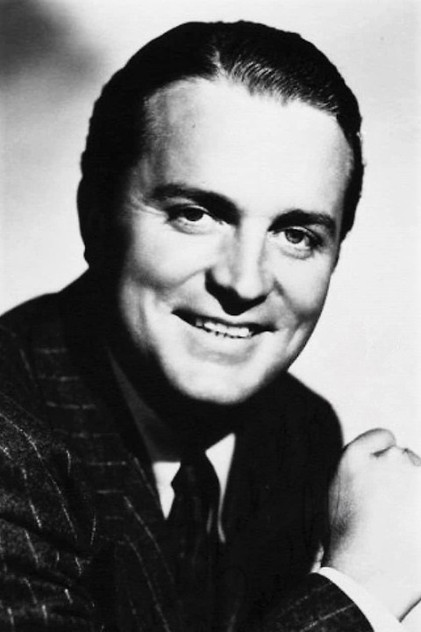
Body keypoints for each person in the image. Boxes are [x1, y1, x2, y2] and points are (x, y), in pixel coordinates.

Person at [0, 21, 419, 632]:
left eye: (296, 234)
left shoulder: (297, 433)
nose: (244, 283)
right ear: (95, 215)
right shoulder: (9, 449)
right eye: (196, 214)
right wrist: (360, 591)